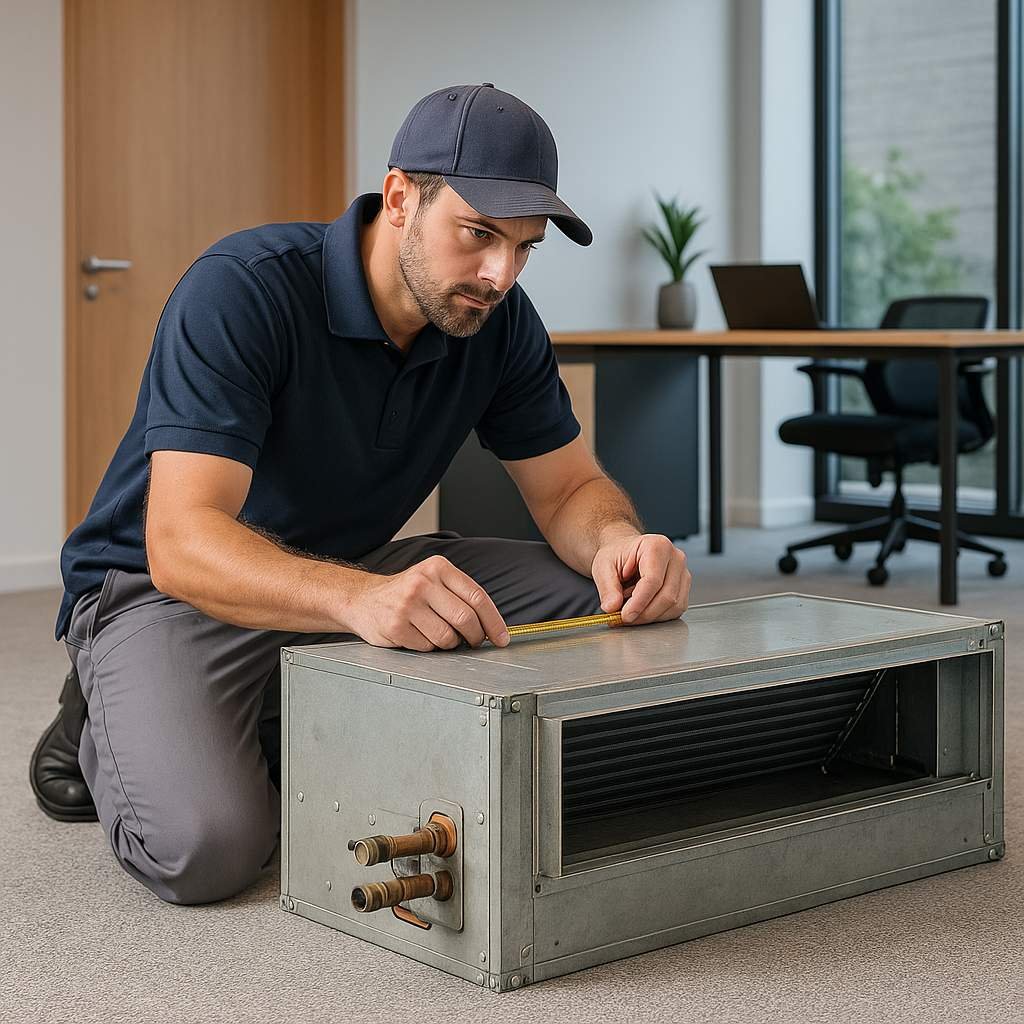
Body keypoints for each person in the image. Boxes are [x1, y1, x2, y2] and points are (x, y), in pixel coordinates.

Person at [30, 83, 692, 904]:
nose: (499, 273)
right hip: (164, 593)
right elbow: (181, 541)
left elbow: (569, 492)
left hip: (354, 570)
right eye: (479, 234)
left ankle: (269, 703)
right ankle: (102, 712)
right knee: (209, 847)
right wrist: (361, 601)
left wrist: (620, 544)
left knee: (602, 610)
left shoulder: (497, 321)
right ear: (400, 198)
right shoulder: (244, 289)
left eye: (524, 248)